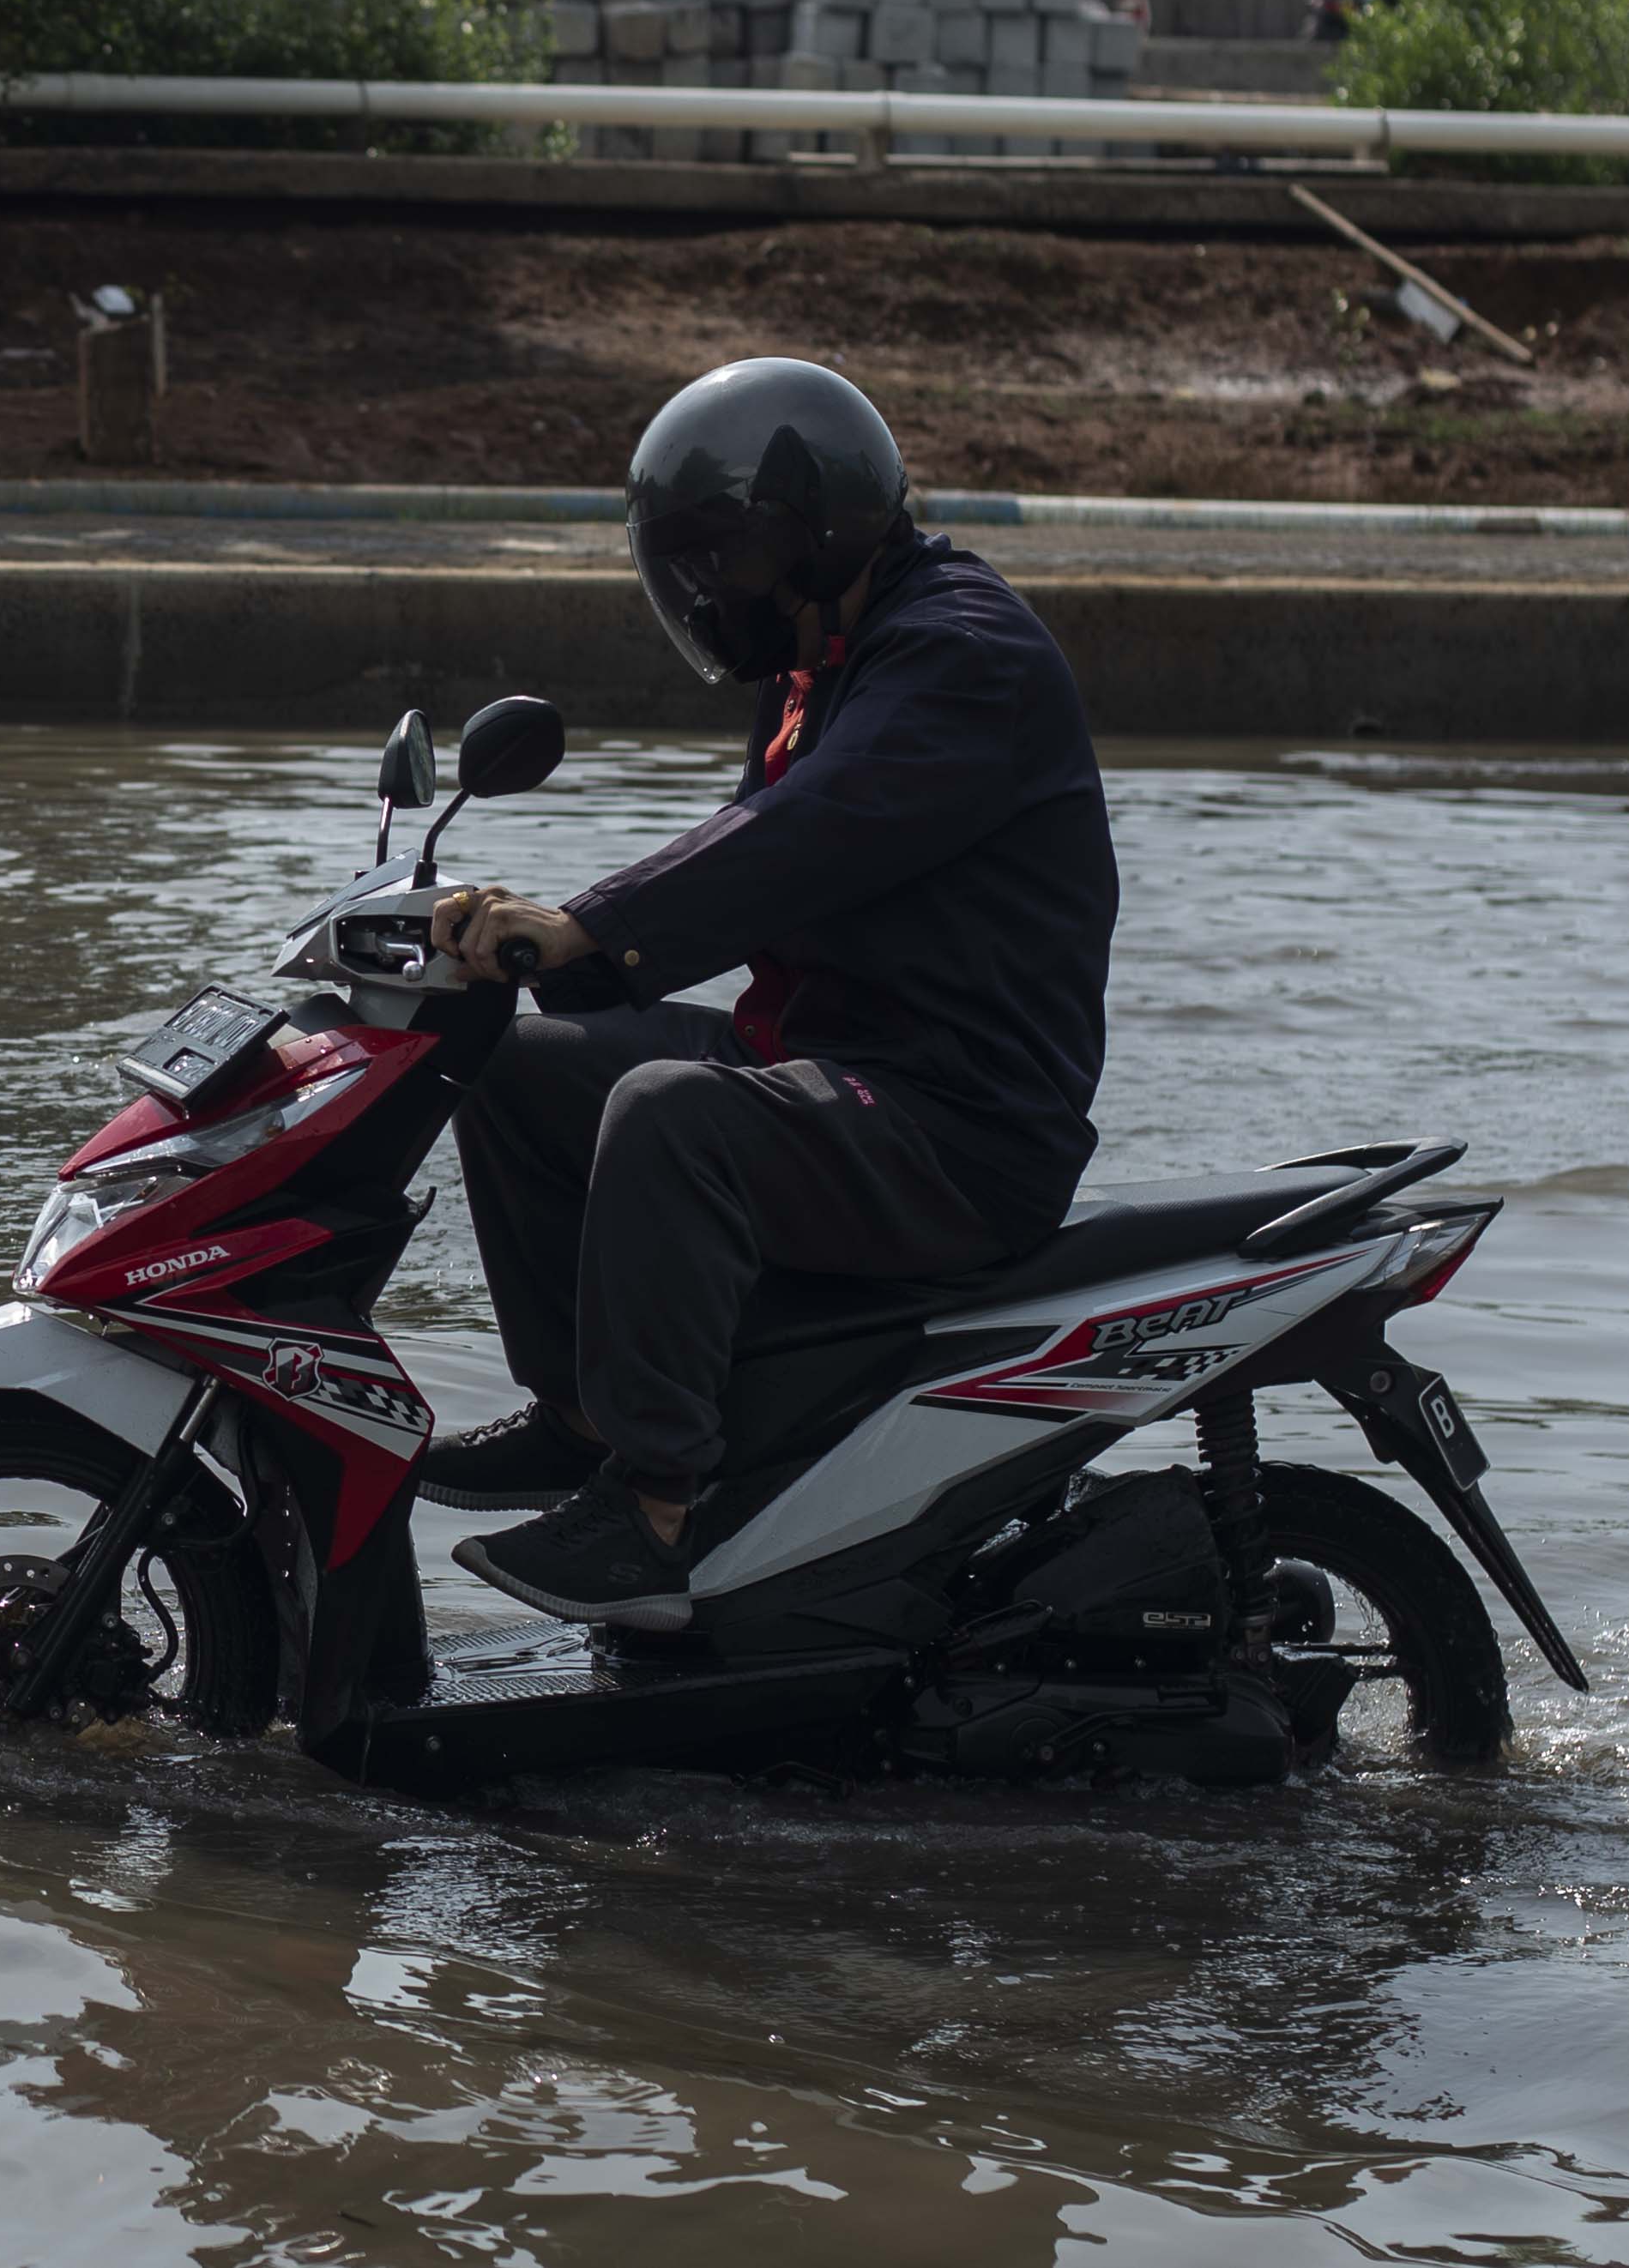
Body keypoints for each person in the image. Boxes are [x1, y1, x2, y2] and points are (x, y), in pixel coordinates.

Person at [413, 358, 1118, 1630]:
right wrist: (536, 939)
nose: (700, 593)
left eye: (721, 558)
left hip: (960, 1121)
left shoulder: (961, 656)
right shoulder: (825, 656)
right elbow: (746, 843)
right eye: (684, 564)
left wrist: (588, 928)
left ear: (813, 534)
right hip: (848, 1058)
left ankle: (658, 1505)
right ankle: (581, 1414)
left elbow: (801, 838)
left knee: (671, 1114)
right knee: (518, 1067)